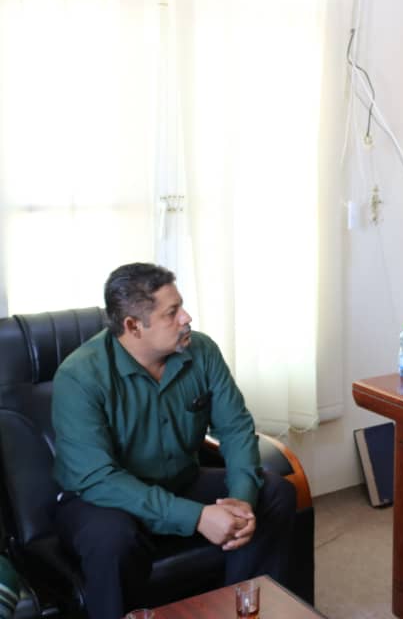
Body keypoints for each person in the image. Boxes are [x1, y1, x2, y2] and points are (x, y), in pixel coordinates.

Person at [51, 263, 295, 619]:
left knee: (275, 493)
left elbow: (236, 428)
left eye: (182, 306)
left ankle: (240, 612)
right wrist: (196, 517)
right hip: (103, 499)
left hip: (179, 481)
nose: (186, 318)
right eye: (172, 312)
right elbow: (98, 478)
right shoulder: (79, 376)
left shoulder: (202, 350)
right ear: (133, 326)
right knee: (111, 539)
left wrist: (241, 503)